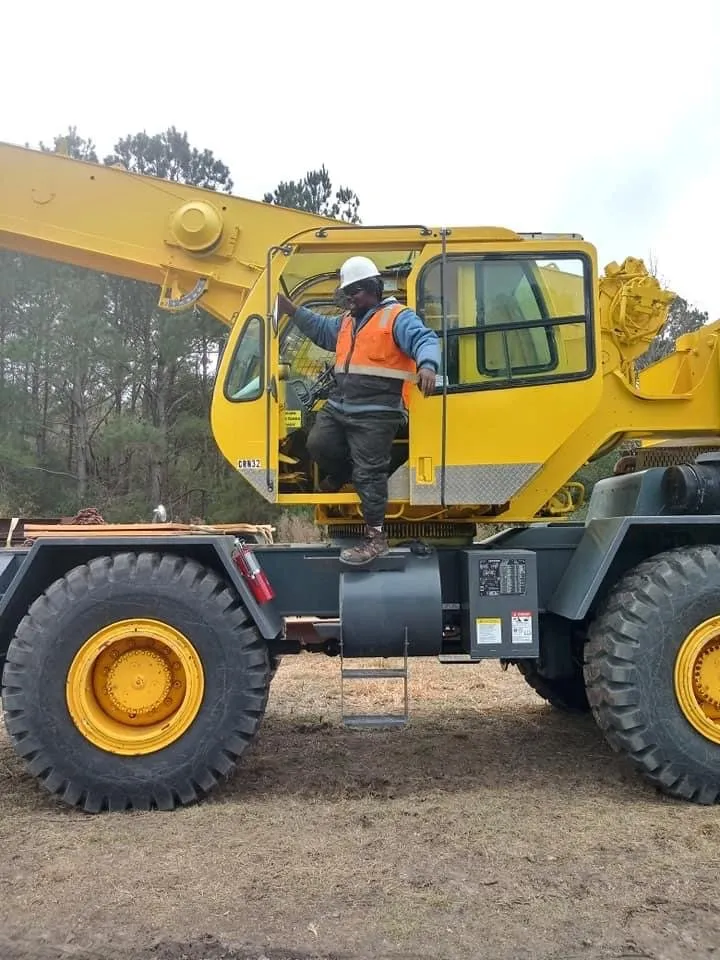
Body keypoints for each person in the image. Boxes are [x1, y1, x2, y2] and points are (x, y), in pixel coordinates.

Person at [277, 256, 440, 566]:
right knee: (317, 444)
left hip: (379, 410)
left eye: (355, 291)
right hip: (341, 405)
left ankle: (376, 539)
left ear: (373, 289)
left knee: (369, 472)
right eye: (347, 292)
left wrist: (428, 365)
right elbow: (321, 329)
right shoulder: (347, 321)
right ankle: (340, 474)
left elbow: (424, 339)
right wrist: (291, 310)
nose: (350, 298)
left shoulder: (396, 317)